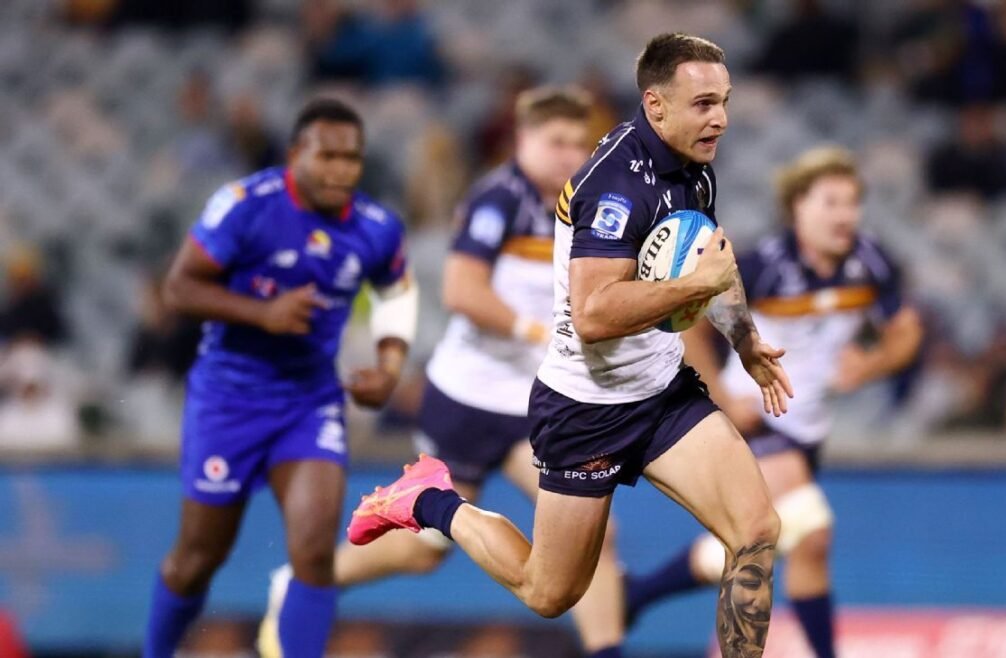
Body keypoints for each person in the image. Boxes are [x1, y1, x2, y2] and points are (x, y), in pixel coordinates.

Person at [349, 33, 794, 658]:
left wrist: (744, 340)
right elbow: (592, 314)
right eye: (703, 104)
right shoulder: (614, 187)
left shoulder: (692, 164)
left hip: (663, 394)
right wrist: (698, 285)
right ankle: (428, 500)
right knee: (549, 591)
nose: (719, 117)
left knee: (756, 530)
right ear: (656, 104)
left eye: (723, 101)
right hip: (587, 409)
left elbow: (711, 259)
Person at [257, 87, 627, 658]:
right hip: (468, 399)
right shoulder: (497, 200)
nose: (569, 155)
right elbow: (462, 290)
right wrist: (540, 333)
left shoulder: (585, 204)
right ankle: (305, 579)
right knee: (425, 550)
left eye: (579, 144)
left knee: (595, 535)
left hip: (536, 404)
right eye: (556, 142)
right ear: (522, 140)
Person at [143, 98, 417, 658]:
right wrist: (261, 313)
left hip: (309, 401)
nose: (341, 170)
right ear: (295, 155)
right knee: (198, 559)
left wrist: (390, 367)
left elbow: (396, 291)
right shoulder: (244, 206)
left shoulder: (375, 227)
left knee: (314, 553)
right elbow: (178, 288)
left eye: (352, 158)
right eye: (327, 156)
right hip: (228, 399)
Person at [624, 147, 923, 658]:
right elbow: (689, 326)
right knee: (811, 531)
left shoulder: (871, 262)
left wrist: (871, 364)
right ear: (797, 207)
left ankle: (636, 593)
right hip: (757, 418)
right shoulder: (762, 266)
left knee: (767, 541)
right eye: (830, 202)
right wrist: (721, 397)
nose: (845, 215)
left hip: (808, 428)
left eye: (852, 203)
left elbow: (907, 332)